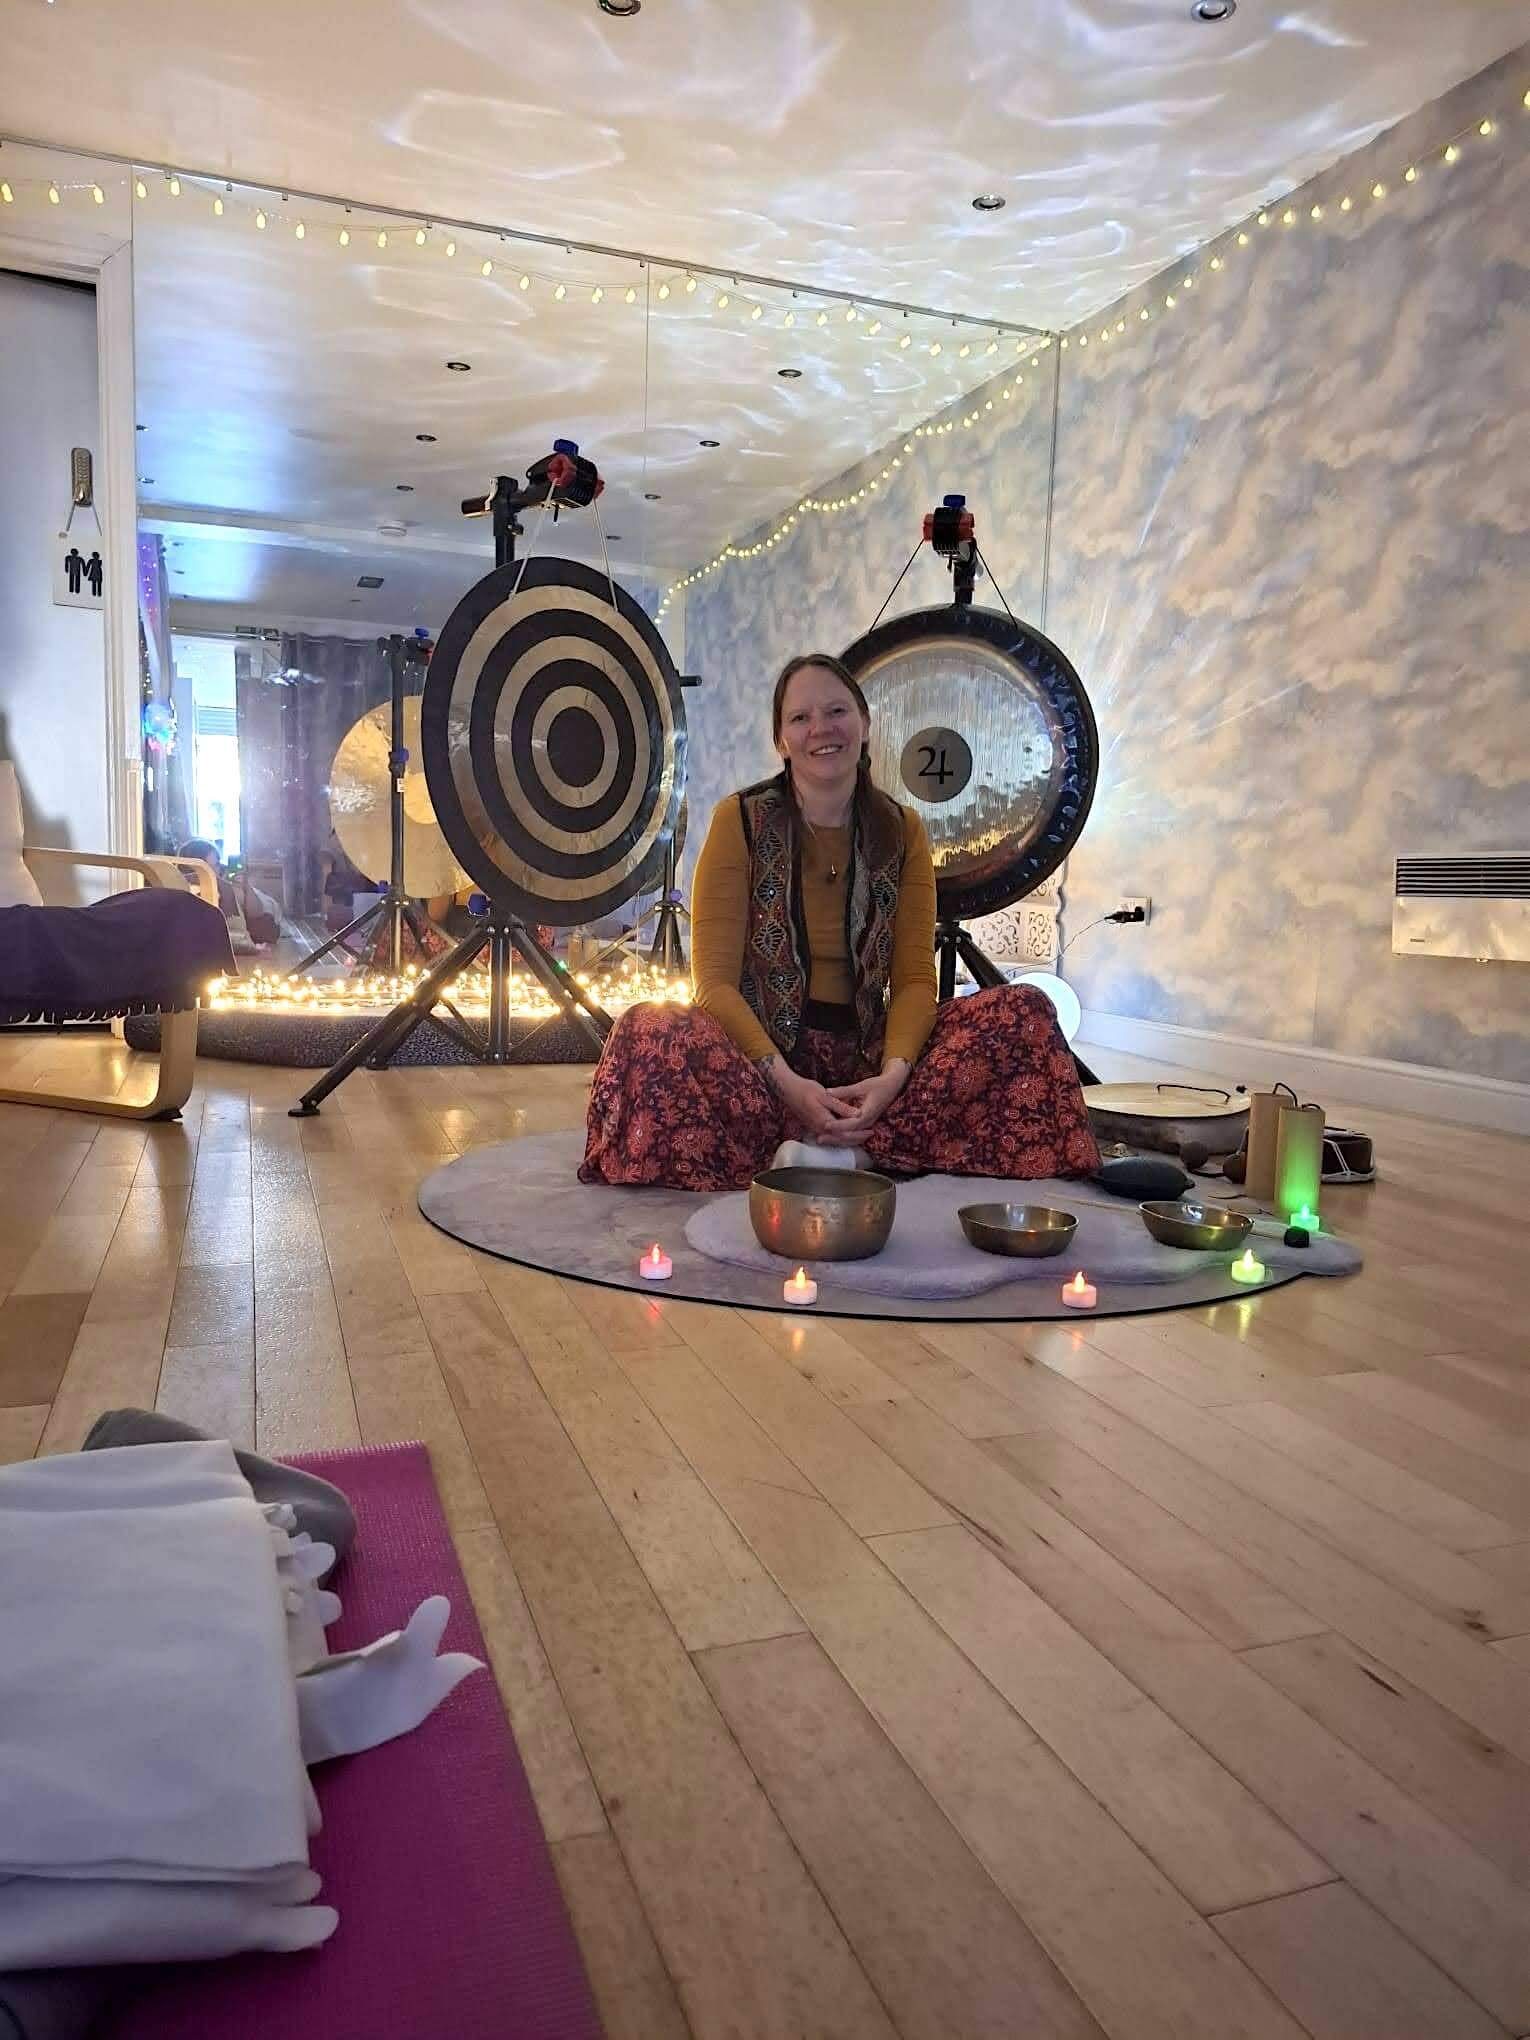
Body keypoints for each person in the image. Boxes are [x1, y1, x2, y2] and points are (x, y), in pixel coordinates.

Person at [579, 653, 1100, 1192]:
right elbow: (713, 985)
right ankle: (865, 1147)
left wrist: (891, 1079)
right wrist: (785, 1084)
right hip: (761, 1067)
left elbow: (916, 979)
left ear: (865, 723)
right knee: (647, 1029)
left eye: (836, 711)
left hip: (868, 1062)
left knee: (1025, 1013)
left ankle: (840, 1153)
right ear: (781, 740)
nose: (820, 729)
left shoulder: (903, 831)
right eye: (800, 718)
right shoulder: (738, 820)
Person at [178, 838, 281, 952]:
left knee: (266, 923)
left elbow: (257, 913)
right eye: (214, 866)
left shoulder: (226, 887)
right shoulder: (185, 889)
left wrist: (245, 886)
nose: (219, 869)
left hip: (263, 908)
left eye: (217, 864)